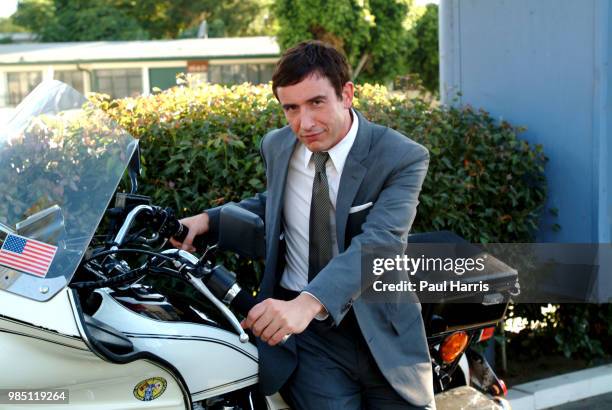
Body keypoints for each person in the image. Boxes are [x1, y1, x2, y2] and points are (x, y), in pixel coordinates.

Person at [171, 40, 435, 409]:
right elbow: (276, 205)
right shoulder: (277, 146)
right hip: (310, 342)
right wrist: (207, 221)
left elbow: (381, 243)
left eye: (316, 103)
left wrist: (308, 303)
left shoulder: (400, 156)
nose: (304, 123)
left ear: (346, 94)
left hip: (383, 330)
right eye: (290, 108)